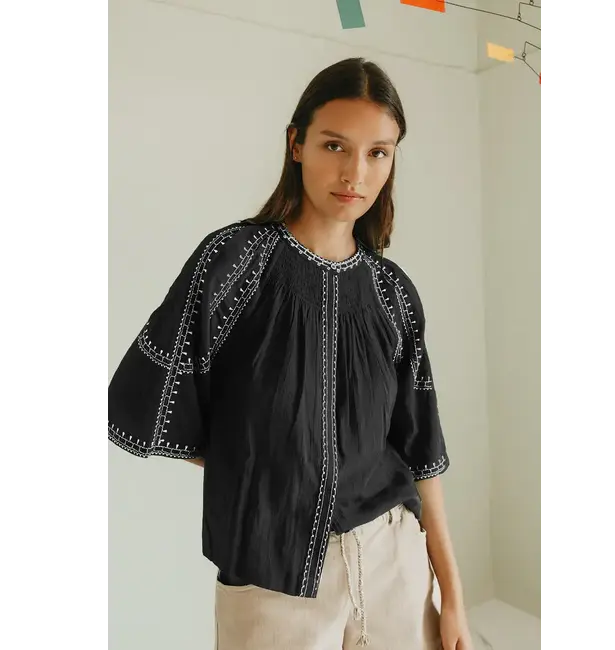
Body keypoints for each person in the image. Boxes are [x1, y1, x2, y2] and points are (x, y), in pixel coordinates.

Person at [105, 57, 473, 650]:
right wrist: (263, 470)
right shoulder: (234, 263)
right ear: (296, 143)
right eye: (335, 145)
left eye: (378, 152)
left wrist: (451, 597)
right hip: (271, 574)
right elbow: (148, 397)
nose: (355, 172)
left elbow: (422, 452)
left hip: (395, 564)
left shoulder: (393, 293)